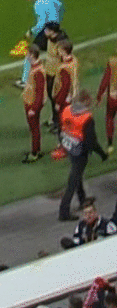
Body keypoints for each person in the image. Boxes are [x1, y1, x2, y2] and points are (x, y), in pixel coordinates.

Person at [59, 90, 110, 221]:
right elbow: (91, 142)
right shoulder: (86, 118)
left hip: (69, 145)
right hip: (79, 151)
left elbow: (61, 127)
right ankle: (63, 212)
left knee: (77, 175)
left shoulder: (67, 110)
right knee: (73, 180)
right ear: (86, 101)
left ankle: (82, 199)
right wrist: (102, 154)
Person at [18, 0, 64, 88]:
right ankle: (60, 75)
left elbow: (41, 23)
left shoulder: (37, 5)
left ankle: (25, 81)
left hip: (47, 30)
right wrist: (56, 20)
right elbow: (59, 5)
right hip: (55, 28)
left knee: (31, 53)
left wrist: (31, 32)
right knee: (55, 52)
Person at [24, 45, 52, 163]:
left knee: (34, 128)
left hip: (33, 103)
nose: (26, 56)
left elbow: (40, 92)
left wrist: (34, 109)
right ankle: (36, 149)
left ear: (32, 55)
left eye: (27, 54)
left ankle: (35, 152)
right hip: (30, 101)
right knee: (33, 128)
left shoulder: (38, 71)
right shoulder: (35, 67)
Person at [53, 40, 80, 131]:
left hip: (65, 98)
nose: (58, 51)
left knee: (63, 121)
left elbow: (64, 87)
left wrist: (58, 102)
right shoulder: (74, 60)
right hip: (73, 94)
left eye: (59, 50)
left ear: (64, 51)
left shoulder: (64, 68)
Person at [97, 54, 117, 147]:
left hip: (113, 96)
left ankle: (110, 144)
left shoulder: (112, 62)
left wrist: (99, 95)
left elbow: (105, 80)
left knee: (109, 118)